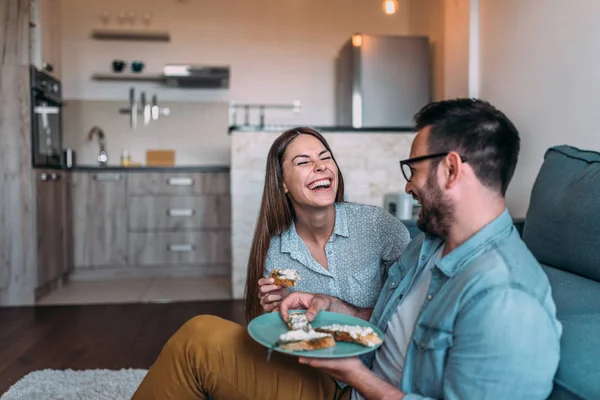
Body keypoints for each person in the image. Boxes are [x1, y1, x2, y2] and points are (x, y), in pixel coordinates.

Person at [131, 99, 562, 400]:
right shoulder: (427, 248)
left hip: (359, 387)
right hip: (344, 383)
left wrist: (357, 377)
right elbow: (380, 325)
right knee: (198, 336)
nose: (408, 185)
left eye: (413, 170)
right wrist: (330, 303)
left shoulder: (506, 300)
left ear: (450, 170)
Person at [244, 127, 411, 322]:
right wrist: (280, 309)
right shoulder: (275, 254)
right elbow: (281, 333)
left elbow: (414, 304)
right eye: (303, 162)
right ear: (282, 183)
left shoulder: (378, 224)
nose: (320, 166)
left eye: (325, 157)